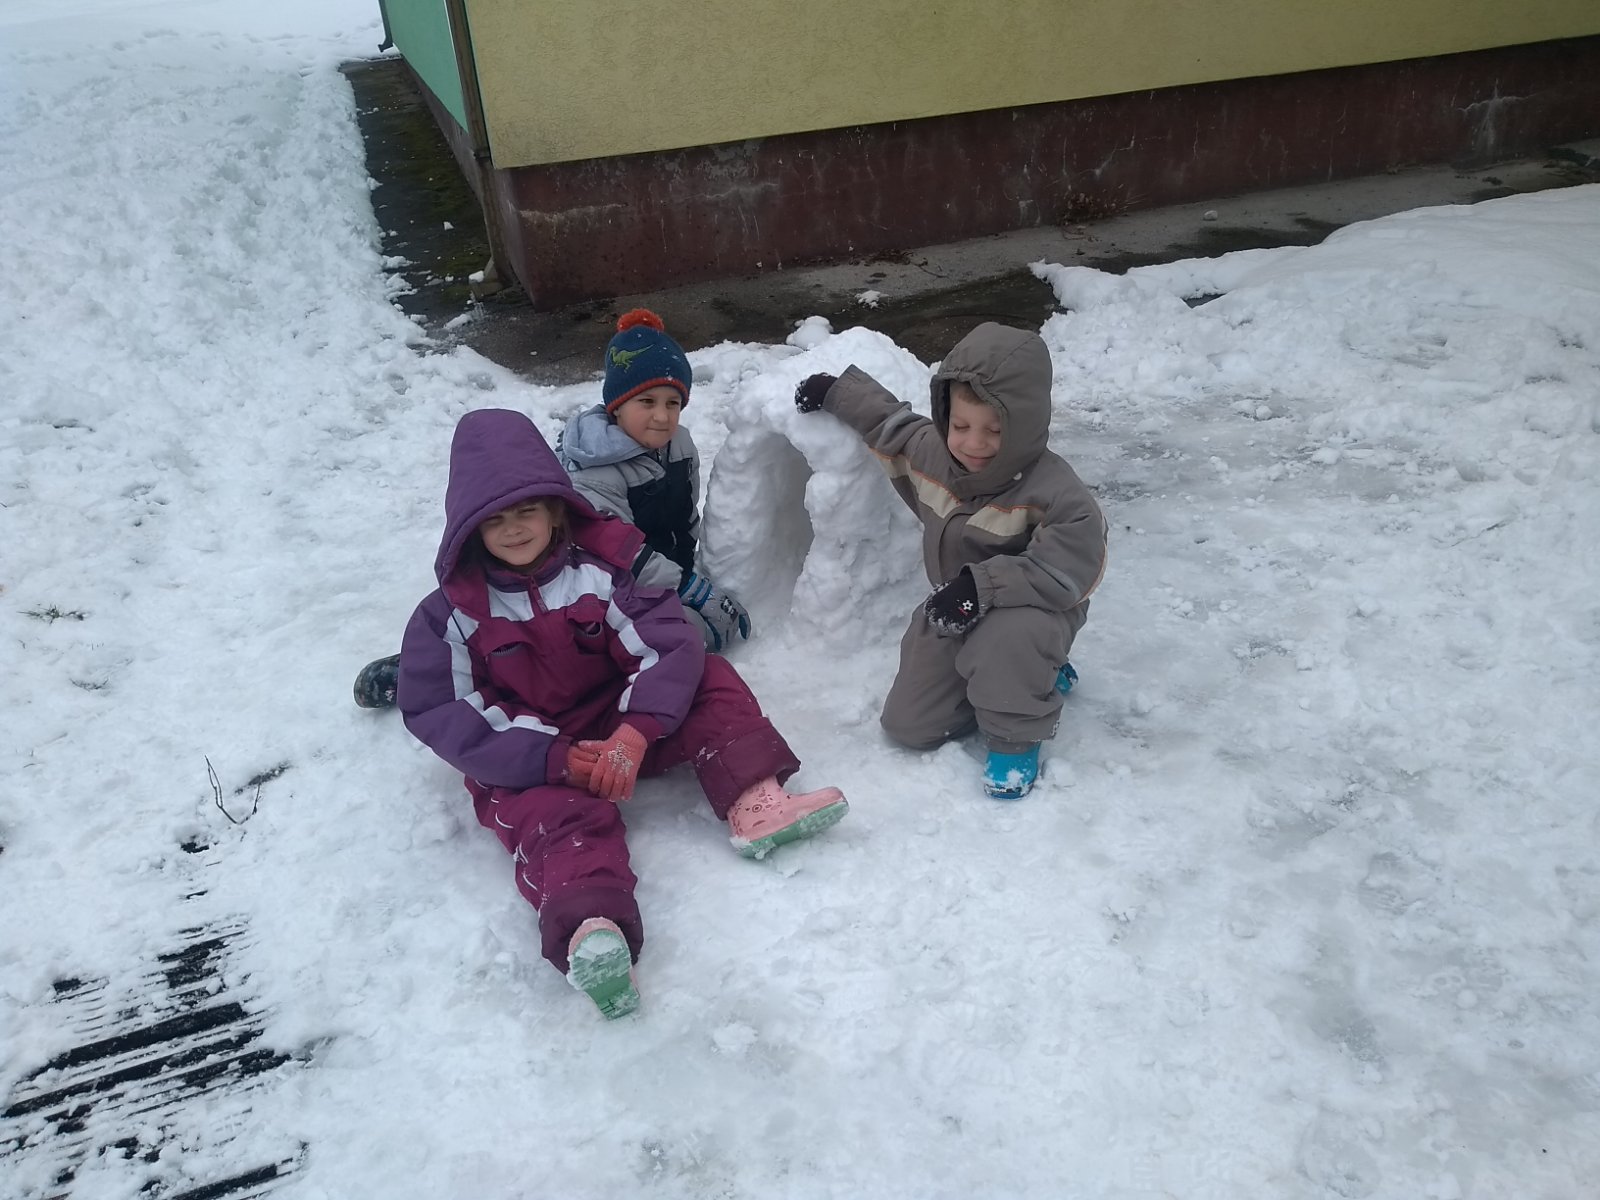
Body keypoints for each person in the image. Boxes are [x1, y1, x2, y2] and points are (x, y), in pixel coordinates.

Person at [397, 407, 847, 1018]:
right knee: (551, 817)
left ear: (556, 508)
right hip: (533, 752)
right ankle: (593, 928)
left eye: (526, 510)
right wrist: (554, 758)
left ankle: (755, 801)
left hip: (621, 721)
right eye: (493, 519)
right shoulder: (449, 616)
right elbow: (446, 709)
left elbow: (667, 642)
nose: (513, 529)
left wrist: (637, 731)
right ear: (468, 529)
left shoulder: (603, 571)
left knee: (709, 678)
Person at [352, 308, 749, 709]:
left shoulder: (679, 446)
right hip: (597, 585)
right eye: (647, 401)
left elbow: (686, 513)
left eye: (673, 403)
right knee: (561, 655)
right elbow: (618, 548)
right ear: (617, 405)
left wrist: (693, 569)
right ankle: (423, 670)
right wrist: (685, 586)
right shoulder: (595, 467)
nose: (662, 416)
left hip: (653, 574)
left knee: (672, 635)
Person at [793, 322, 1107, 800]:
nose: (974, 444)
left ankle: (1015, 736)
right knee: (909, 726)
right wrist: (837, 393)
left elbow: (1066, 570)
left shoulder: (1060, 495)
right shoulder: (936, 457)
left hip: (1034, 609)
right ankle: (1024, 678)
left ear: (1024, 425)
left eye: (994, 431)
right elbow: (892, 426)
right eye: (961, 427)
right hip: (957, 604)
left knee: (1010, 637)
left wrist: (983, 587)